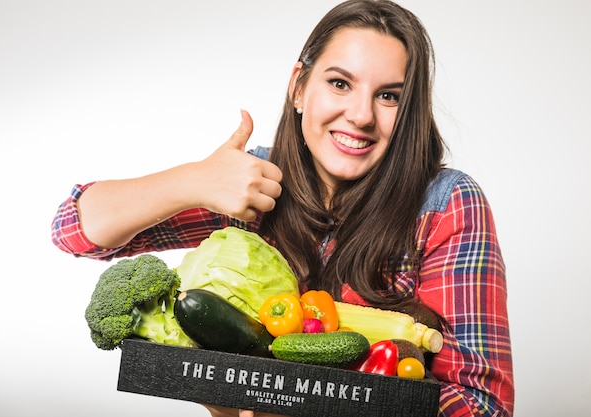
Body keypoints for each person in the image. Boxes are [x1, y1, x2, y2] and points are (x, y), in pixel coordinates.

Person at [51, 0, 514, 416]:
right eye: (339, 83)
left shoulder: (446, 205)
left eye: (389, 95)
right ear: (298, 86)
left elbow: (481, 407)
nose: (361, 115)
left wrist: (298, 403)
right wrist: (191, 180)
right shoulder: (249, 182)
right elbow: (74, 230)